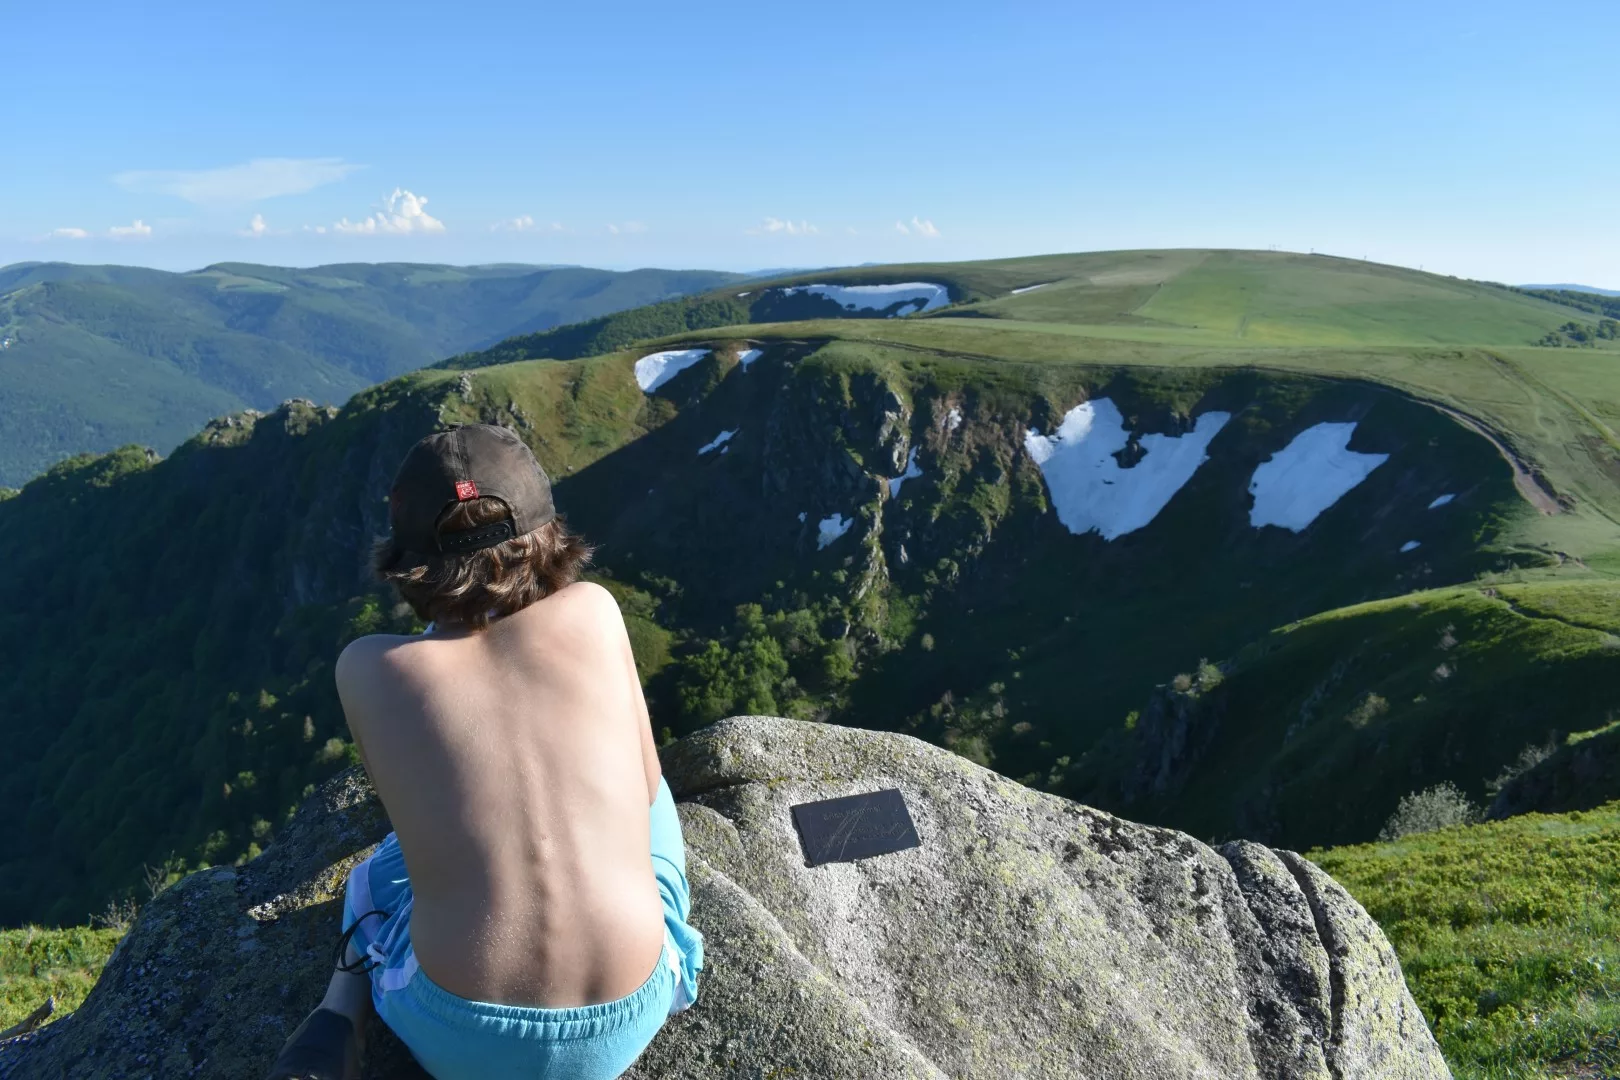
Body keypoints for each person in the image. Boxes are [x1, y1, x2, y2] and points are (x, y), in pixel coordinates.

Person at [266, 423, 703, 1080]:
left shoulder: (367, 666)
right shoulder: (595, 610)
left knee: (375, 877)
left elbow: (423, 831)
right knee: (656, 801)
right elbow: (643, 785)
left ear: (404, 560)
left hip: (458, 1037)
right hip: (629, 1010)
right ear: (549, 533)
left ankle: (338, 1014)